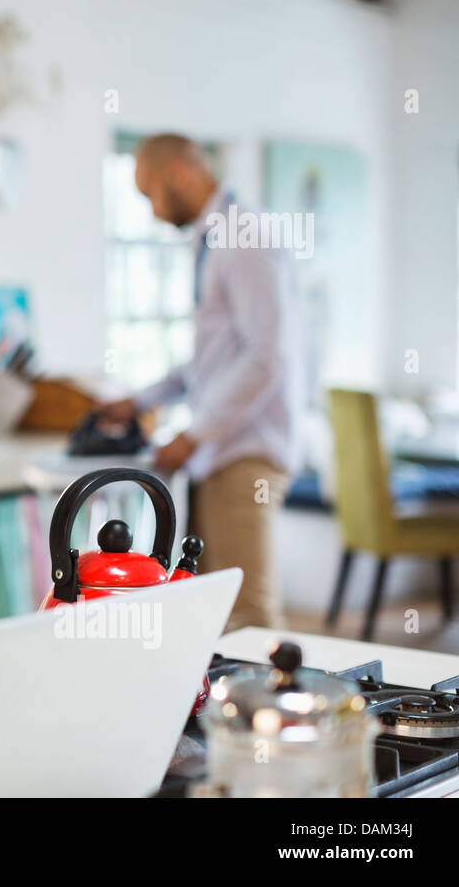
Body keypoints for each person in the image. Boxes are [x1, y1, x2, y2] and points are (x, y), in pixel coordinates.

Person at [99, 134, 304, 631]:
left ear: (180, 174)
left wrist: (193, 435)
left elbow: (266, 357)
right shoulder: (213, 239)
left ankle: (271, 710)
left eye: (149, 194)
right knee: (214, 613)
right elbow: (211, 362)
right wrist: (139, 400)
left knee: (249, 616)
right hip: (221, 453)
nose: (149, 211)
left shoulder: (243, 236)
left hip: (246, 453)